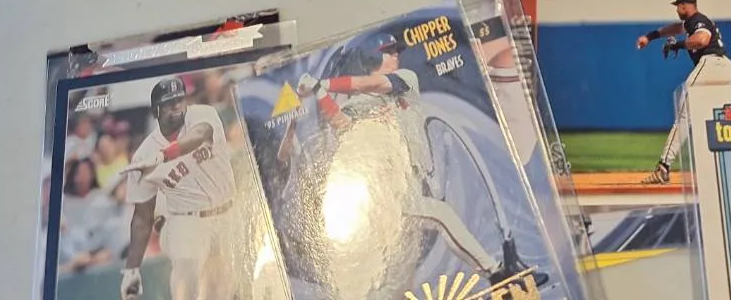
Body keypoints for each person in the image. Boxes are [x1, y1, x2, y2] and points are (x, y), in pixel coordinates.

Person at [292, 35, 546, 289]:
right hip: (385, 190)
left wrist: (322, 84)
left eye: (396, 51)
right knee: (438, 217)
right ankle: (497, 273)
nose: (396, 56)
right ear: (370, 59)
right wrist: (319, 92)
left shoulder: (405, 79)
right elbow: (341, 124)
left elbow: (368, 83)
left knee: (402, 269)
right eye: (388, 52)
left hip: (413, 179)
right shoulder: (359, 104)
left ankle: (502, 272)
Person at [120, 78, 240, 300]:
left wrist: (163, 156)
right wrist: (131, 270)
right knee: (187, 269)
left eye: (179, 100)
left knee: (220, 292)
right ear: (156, 111)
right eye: (168, 103)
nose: (176, 106)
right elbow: (142, 218)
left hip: (229, 213)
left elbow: (199, 135)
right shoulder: (143, 156)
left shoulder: (203, 114)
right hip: (189, 220)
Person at [637, 0, 731, 185]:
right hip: (727, 71)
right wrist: (650, 37)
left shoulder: (697, 19)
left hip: (712, 65)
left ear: (685, 5)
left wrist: (677, 45)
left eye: (678, 6)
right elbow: (674, 28)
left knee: (684, 115)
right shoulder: (692, 22)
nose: (677, 10)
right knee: (722, 120)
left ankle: (663, 167)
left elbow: (701, 40)